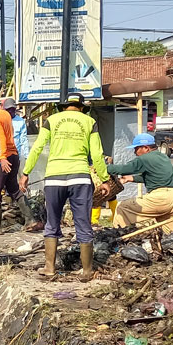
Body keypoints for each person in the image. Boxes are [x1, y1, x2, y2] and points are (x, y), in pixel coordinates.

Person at [20, 92, 111, 281]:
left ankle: (49, 267)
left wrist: (26, 173)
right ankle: (86, 271)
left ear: (63, 106)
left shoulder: (52, 120)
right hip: (80, 178)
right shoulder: (89, 122)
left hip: (54, 178)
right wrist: (104, 178)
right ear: (82, 107)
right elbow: (97, 153)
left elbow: (37, 147)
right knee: (83, 225)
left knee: (52, 223)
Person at [107, 133, 173, 252]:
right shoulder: (163, 157)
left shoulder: (145, 158)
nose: (135, 152)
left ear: (146, 148)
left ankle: (121, 244)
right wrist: (130, 178)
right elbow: (153, 177)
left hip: (161, 198)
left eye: (136, 149)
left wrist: (105, 168)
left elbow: (124, 169)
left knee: (123, 207)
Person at [0, 93, 36, 232]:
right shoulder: (4, 114)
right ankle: (30, 220)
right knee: (13, 188)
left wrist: (2, 157)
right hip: (13, 154)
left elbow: (0, 138)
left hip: (1, 157)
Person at [6, 99, 30, 165]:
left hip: (16, 155)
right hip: (5, 156)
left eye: (12, 109)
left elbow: (23, 139)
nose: (10, 111)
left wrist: (26, 156)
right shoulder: (2, 120)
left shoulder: (20, 121)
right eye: (8, 109)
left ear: (15, 109)